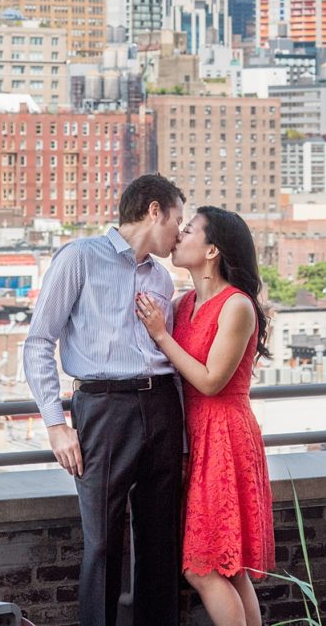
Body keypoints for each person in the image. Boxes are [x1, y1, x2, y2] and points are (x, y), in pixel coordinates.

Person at [23, 173, 186, 626]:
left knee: (159, 540)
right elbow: (38, 342)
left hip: (162, 407)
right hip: (103, 409)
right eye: (177, 220)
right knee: (102, 541)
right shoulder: (80, 258)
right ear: (154, 210)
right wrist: (57, 425)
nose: (178, 234)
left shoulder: (162, 279)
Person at [135, 206, 275, 626]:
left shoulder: (237, 306)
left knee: (202, 567)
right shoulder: (184, 302)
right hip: (195, 438)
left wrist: (160, 334)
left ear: (212, 248)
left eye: (190, 229)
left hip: (225, 437)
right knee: (226, 566)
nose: (179, 235)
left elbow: (212, 381)